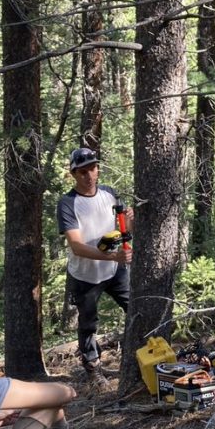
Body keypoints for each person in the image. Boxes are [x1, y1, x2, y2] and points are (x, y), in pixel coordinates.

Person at [56, 148, 131, 386]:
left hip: (114, 271)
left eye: (93, 168)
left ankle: (139, 356)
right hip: (85, 275)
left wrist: (131, 219)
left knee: (136, 307)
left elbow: (122, 230)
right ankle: (93, 369)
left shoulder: (109, 194)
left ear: (98, 169)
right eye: (83, 171)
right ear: (74, 174)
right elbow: (77, 246)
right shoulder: (68, 203)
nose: (89, 175)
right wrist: (113, 257)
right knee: (88, 322)